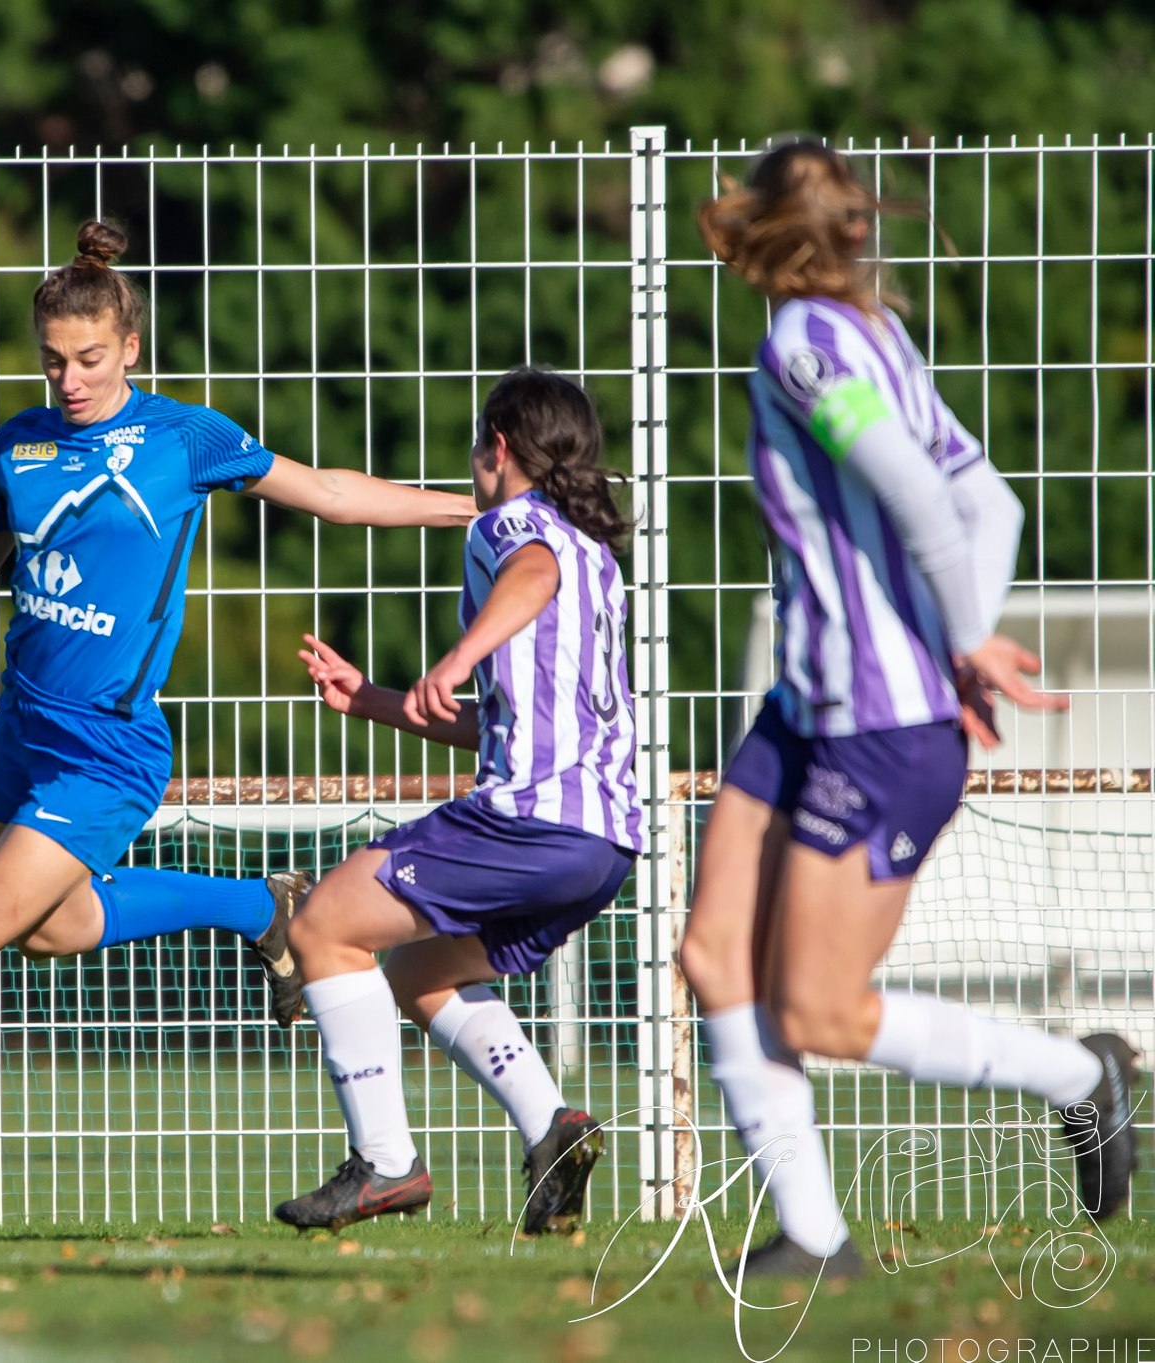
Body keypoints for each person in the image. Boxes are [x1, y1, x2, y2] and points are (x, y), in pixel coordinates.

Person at [0, 220, 484, 1216]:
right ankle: (259, 907)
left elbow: (327, 493)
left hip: (105, 758)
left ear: (129, 348)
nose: (69, 380)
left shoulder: (183, 439)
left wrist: (476, 510)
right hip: (21, 739)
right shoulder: (17, 446)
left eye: (90, 359)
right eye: (53, 360)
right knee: (54, 930)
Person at [679, 140, 1140, 1278]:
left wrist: (959, 644)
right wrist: (960, 635)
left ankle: (1080, 1077)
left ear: (757, 229)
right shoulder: (877, 337)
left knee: (821, 1012)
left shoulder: (805, 346)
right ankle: (813, 1235)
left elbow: (923, 497)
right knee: (707, 953)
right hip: (809, 705)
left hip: (871, 724)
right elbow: (996, 500)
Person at [272, 367, 639, 1235]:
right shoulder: (599, 555)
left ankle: (385, 1164)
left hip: (533, 819)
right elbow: (503, 725)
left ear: (499, 447)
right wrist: (373, 698)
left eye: (479, 449)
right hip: (602, 841)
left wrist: (460, 652)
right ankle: (553, 1127)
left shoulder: (524, 526)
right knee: (422, 972)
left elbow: (530, 571)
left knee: (323, 923)